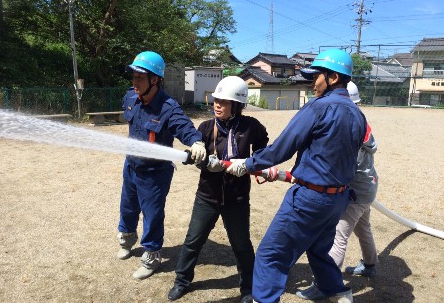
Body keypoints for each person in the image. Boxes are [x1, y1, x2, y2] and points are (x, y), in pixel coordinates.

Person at [226, 49, 367, 303]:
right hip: (339, 199)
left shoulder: (318, 107)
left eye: (316, 76)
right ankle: (336, 292)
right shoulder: (358, 114)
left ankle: (264, 299)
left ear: (333, 77)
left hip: (310, 199)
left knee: (271, 255)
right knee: (318, 248)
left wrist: (247, 163)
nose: (312, 82)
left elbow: (282, 148)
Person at [167, 76, 270, 303]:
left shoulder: (251, 126)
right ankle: (182, 281)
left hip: (238, 198)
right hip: (207, 196)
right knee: (193, 241)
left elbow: (264, 147)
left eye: (223, 101)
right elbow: (197, 153)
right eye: (216, 100)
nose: (217, 105)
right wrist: (202, 160)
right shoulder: (205, 127)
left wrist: (252, 163)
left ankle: (248, 289)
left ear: (237, 105)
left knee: (242, 245)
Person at [116, 50, 206, 280]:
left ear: (154, 79)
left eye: (140, 77)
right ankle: (126, 240)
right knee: (127, 207)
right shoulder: (130, 97)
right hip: (131, 166)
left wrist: (196, 142)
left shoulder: (168, 107)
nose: (135, 82)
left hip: (155, 174)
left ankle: (151, 255)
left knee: (152, 214)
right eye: (133, 76)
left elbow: (185, 128)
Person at [295, 81, 379, 300]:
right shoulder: (362, 123)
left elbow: (340, 165)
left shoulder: (348, 125)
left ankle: (325, 285)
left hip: (354, 191)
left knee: (338, 238)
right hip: (368, 187)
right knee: (364, 228)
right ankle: (370, 264)